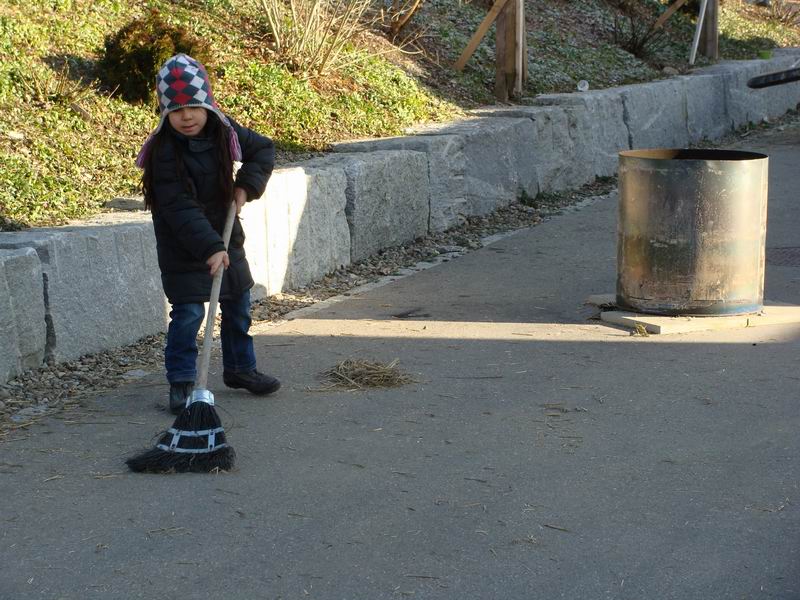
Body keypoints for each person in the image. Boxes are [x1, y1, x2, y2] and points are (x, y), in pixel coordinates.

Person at [137, 53, 280, 414]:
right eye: (176, 110)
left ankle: (240, 368)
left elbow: (262, 150)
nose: (187, 116)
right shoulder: (163, 152)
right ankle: (183, 381)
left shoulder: (223, 130)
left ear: (208, 104)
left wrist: (246, 185)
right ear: (164, 113)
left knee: (238, 304)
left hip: (226, 235)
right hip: (184, 246)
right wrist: (211, 248)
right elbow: (179, 208)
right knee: (188, 314)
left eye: (194, 107)